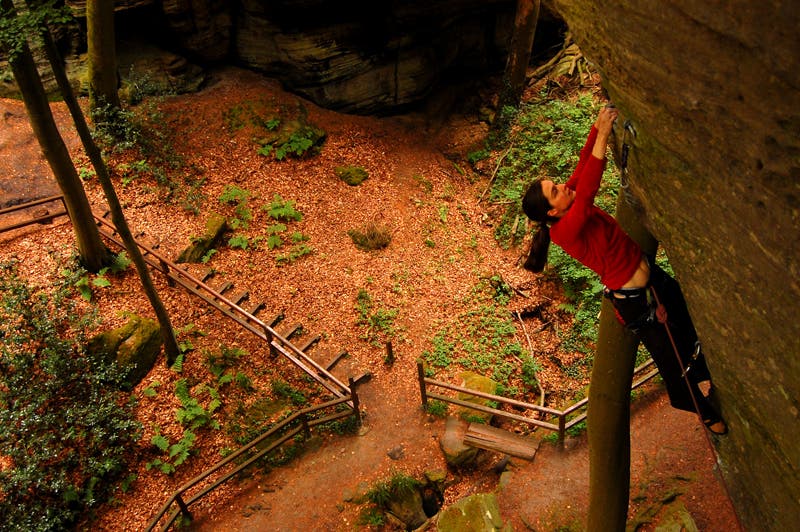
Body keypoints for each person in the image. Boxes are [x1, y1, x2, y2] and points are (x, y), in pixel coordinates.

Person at [521, 106, 727, 435]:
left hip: (652, 280)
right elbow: (588, 192)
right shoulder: (565, 230)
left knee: (690, 324)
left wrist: (597, 125)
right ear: (551, 211)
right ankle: (701, 409)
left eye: (557, 184)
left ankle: (711, 374)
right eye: (555, 191)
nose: (563, 186)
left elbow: (582, 166)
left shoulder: (567, 203)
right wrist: (604, 134)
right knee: (671, 363)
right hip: (635, 302)